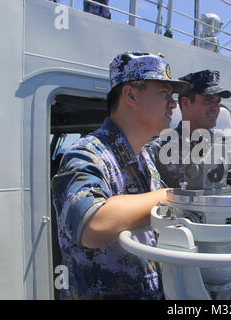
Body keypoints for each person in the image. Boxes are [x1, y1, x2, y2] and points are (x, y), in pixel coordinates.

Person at [51, 51, 188, 299]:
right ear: (131, 95)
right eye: (164, 94)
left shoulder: (144, 160)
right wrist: (169, 196)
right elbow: (93, 225)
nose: (173, 104)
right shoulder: (87, 154)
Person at [145, 69, 231, 188]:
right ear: (185, 103)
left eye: (217, 102)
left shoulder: (220, 146)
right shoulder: (157, 149)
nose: (215, 108)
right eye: (208, 100)